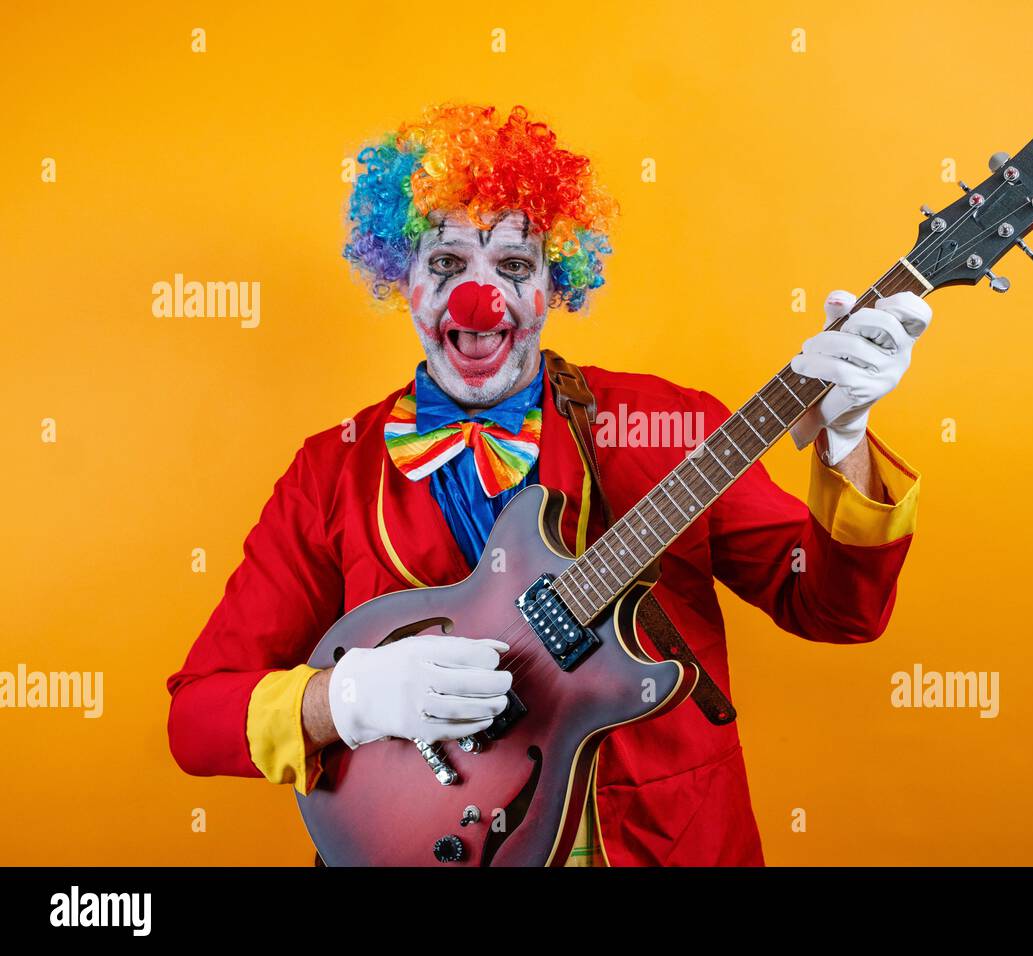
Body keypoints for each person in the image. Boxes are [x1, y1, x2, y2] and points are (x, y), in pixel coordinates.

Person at [166, 103, 934, 866]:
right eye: (445, 264)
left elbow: (838, 610)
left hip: (665, 845)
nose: (481, 299)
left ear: (552, 284)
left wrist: (846, 438)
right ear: (401, 278)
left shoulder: (669, 429)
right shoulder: (329, 472)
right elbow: (196, 718)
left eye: (513, 265)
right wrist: (345, 700)